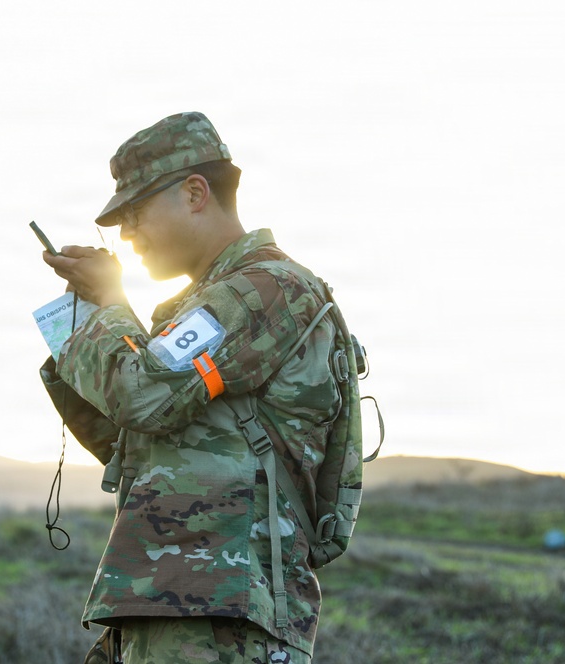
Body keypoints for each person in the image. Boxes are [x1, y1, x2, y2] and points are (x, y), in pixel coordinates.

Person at [39, 112, 343, 663]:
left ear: (195, 192)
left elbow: (143, 396)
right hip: (176, 601)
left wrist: (110, 307)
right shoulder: (207, 306)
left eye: (134, 214)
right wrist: (84, 318)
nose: (127, 235)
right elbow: (132, 438)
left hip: (221, 614)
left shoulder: (265, 290)